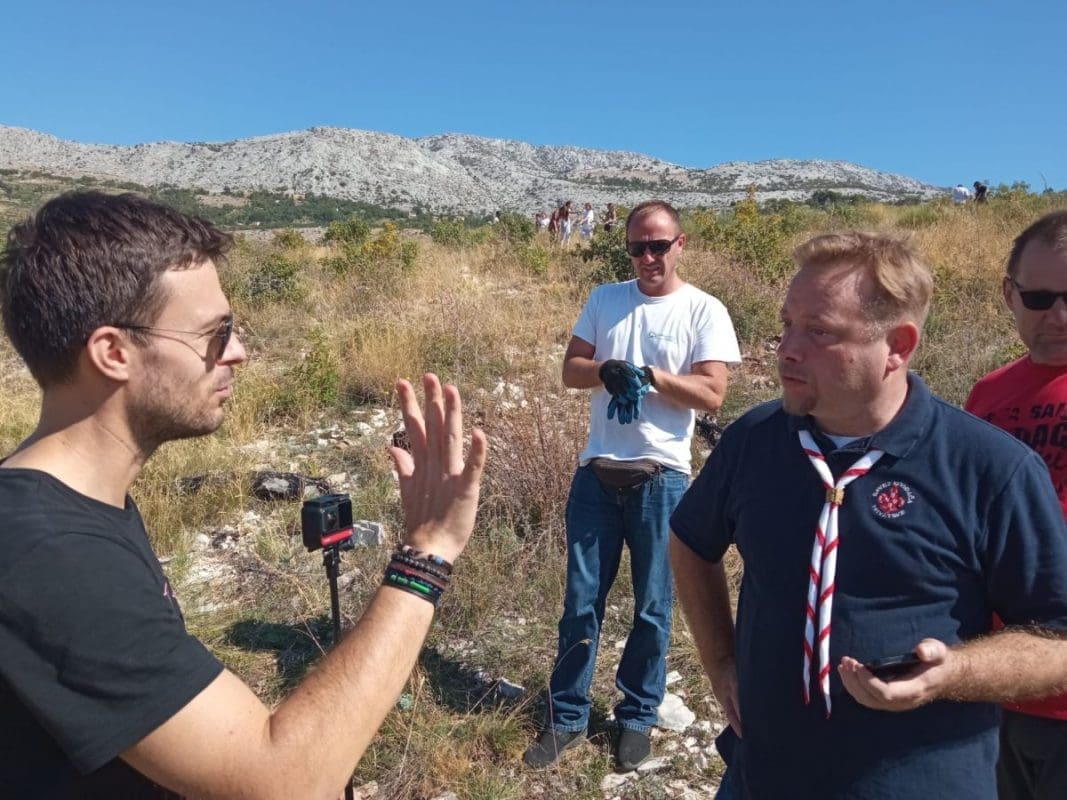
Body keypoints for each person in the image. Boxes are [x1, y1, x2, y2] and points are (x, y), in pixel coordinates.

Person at [0, 191, 486, 799]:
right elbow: (285, 784)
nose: (238, 352)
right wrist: (427, 554)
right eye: (216, 333)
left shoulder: (71, 510)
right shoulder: (49, 554)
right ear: (114, 353)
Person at [670, 230, 1067, 799]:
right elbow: (690, 540)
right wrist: (721, 662)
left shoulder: (990, 467)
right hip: (762, 777)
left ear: (898, 345)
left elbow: (1057, 644)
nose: (786, 349)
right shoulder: (756, 440)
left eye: (819, 331)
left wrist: (952, 674)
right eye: (786, 324)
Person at [523, 200, 741, 771]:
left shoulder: (703, 309)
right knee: (580, 603)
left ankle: (637, 716)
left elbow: (713, 393)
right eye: (637, 248)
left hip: (661, 479)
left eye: (658, 246)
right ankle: (567, 716)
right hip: (596, 475)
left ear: (680, 244)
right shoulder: (605, 299)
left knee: (652, 606)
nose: (648, 257)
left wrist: (650, 377)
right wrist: (606, 370)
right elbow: (570, 370)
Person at [965, 210, 1067, 800]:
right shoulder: (988, 395)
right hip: (998, 683)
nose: (1059, 316)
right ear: (1010, 294)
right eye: (1040, 298)